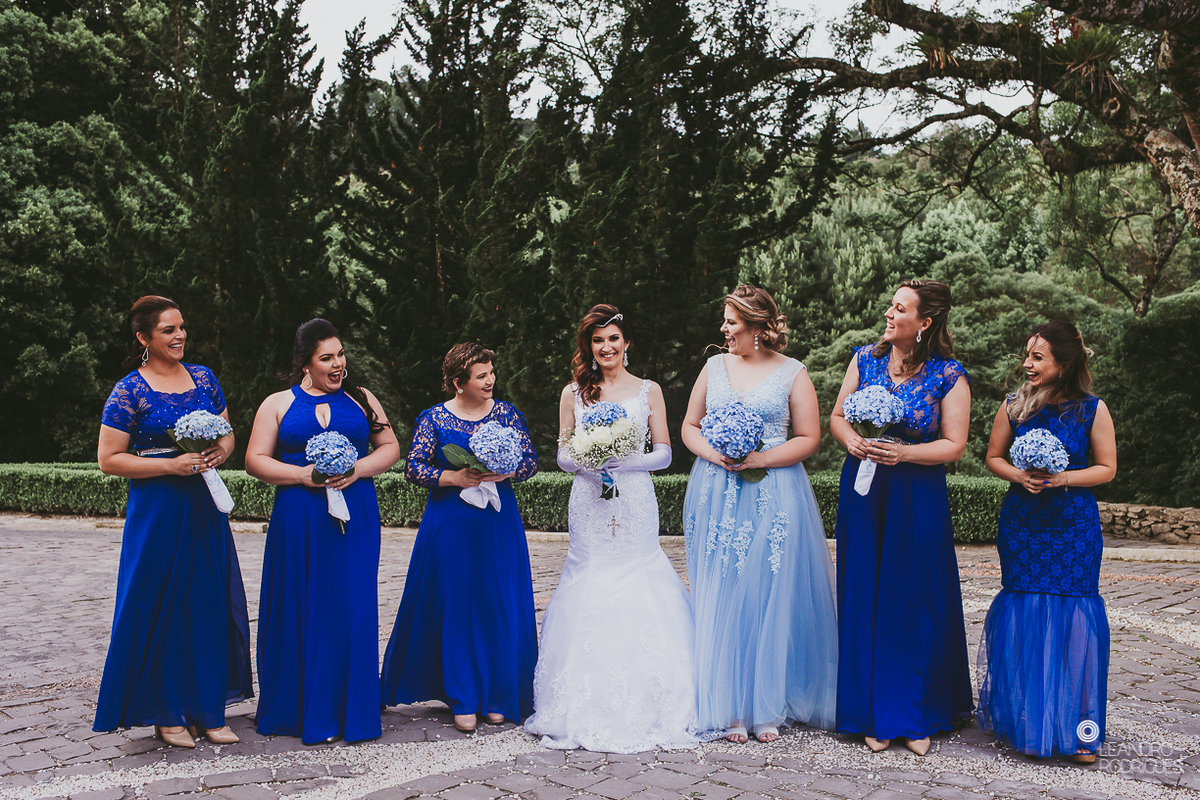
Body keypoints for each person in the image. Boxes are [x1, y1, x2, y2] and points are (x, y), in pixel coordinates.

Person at [524, 305, 698, 753]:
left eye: (614, 339)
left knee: (640, 573)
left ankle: (656, 695)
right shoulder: (574, 393)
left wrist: (626, 460)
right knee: (589, 576)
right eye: (598, 341)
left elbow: (664, 453)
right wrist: (588, 458)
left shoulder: (648, 390)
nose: (606, 348)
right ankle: (578, 699)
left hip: (635, 497)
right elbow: (562, 456)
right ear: (589, 346)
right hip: (588, 501)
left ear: (626, 343)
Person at [681, 285, 838, 744]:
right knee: (722, 586)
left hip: (772, 489)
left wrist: (756, 459)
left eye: (730, 321)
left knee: (769, 589)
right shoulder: (713, 367)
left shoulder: (793, 373)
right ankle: (730, 706)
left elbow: (809, 438)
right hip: (717, 488)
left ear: (754, 324)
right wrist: (717, 453)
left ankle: (766, 702)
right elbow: (689, 426)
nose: (724, 328)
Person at [94, 295, 252, 748]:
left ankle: (209, 707)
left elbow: (227, 434)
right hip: (159, 508)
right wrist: (169, 466)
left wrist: (221, 451)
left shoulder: (204, 378)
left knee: (206, 601)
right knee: (160, 604)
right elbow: (109, 459)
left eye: (181, 327)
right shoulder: (129, 390)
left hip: (203, 503)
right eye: (168, 330)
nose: (180, 335)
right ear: (144, 337)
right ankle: (166, 712)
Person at [830, 278, 973, 756]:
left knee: (912, 599)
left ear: (924, 322)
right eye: (890, 306)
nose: (889, 314)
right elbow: (837, 417)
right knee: (864, 592)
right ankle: (868, 711)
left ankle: (913, 714)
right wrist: (853, 441)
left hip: (916, 494)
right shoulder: (864, 359)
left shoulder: (948, 374)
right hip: (865, 490)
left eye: (899, 308)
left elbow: (954, 444)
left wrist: (905, 454)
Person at [246, 319, 400, 744]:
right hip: (299, 515)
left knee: (351, 604)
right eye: (326, 358)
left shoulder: (363, 399)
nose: (337, 364)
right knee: (301, 601)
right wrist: (301, 475)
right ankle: (298, 708)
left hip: (355, 512)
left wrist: (358, 469)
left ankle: (351, 709)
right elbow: (255, 459)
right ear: (305, 364)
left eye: (340, 354)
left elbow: (390, 448)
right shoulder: (277, 403)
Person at [977, 321, 1116, 764]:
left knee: (1075, 616)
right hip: (1023, 522)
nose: (1027, 364)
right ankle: (1027, 721)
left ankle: (1081, 729)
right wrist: (1017, 474)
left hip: (1073, 525)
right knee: (1024, 612)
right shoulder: (1014, 407)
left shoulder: (1093, 409)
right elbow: (993, 457)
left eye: (1038, 356)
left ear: (1064, 362)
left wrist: (1063, 478)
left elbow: (1107, 468)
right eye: (1027, 355)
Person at [381, 343, 539, 733]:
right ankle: (463, 696)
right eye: (481, 375)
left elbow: (531, 462)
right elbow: (413, 467)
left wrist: (507, 471)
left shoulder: (506, 414)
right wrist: (454, 477)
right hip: (450, 523)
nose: (490, 381)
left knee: (497, 601)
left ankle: (500, 695)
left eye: (491, 373)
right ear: (458, 382)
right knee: (456, 603)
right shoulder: (434, 418)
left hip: (497, 522)